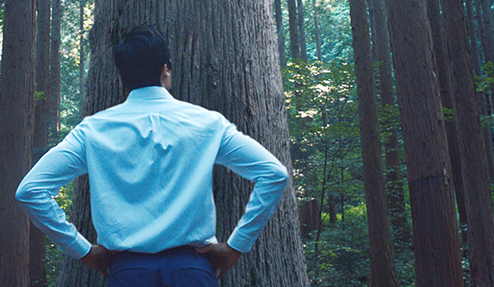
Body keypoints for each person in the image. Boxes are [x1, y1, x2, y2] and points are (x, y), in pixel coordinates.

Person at [16, 25, 289, 286]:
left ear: (122, 77)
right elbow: (274, 174)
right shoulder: (208, 124)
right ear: (166, 68)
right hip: (192, 271)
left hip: (128, 272)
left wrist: (84, 251)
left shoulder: (93, 130)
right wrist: (235, 247)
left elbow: (30, 191)